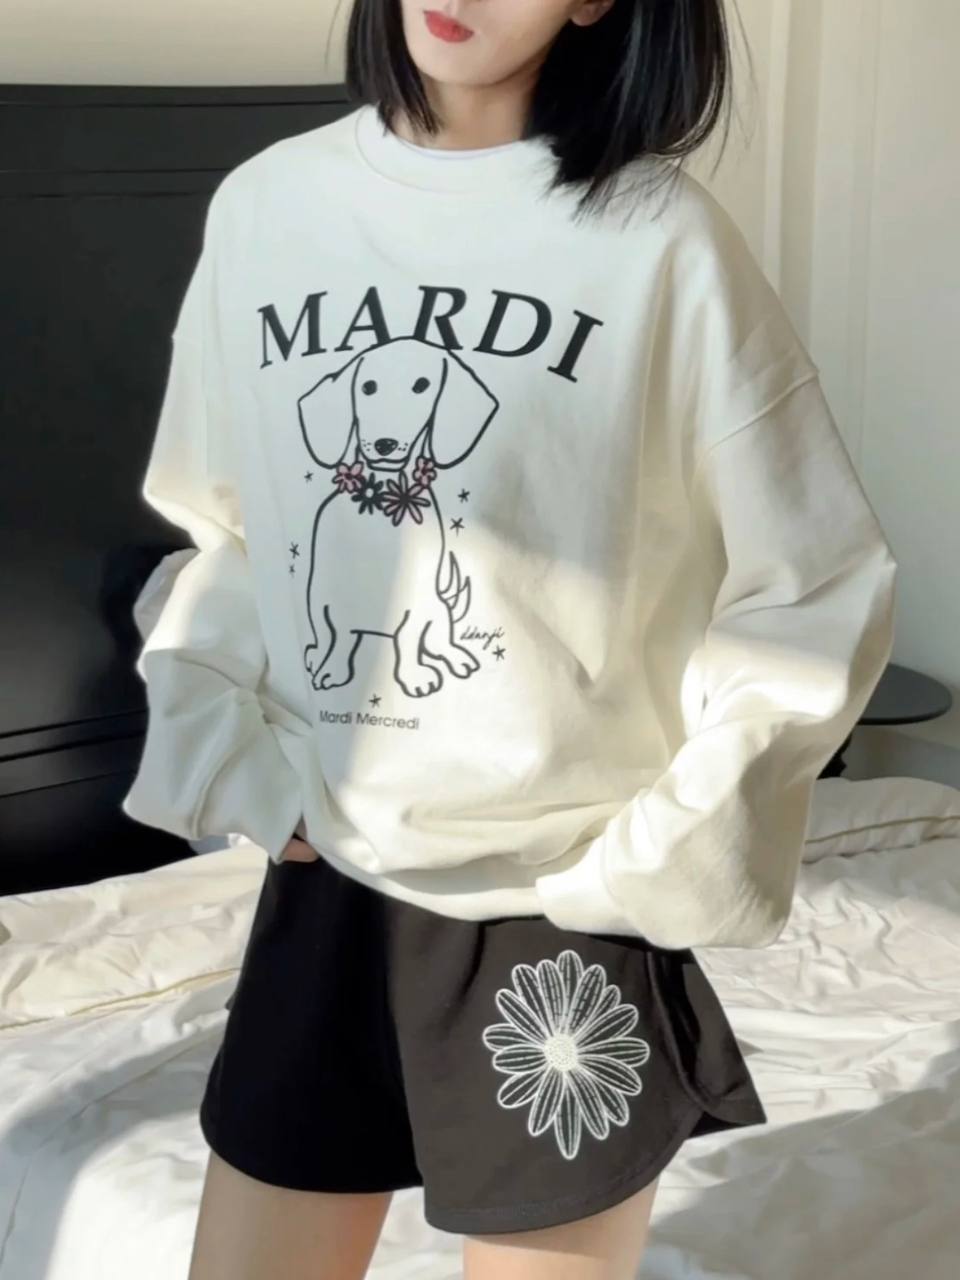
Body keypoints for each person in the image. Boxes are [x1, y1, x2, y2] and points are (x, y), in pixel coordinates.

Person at [122, 1, 898, 1276]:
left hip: (559, 909)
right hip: (332, 882)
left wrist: (658, 855)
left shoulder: (661, 239)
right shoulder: (270, 206)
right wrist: (244, 772)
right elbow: (229, 531)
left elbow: (817, 578)